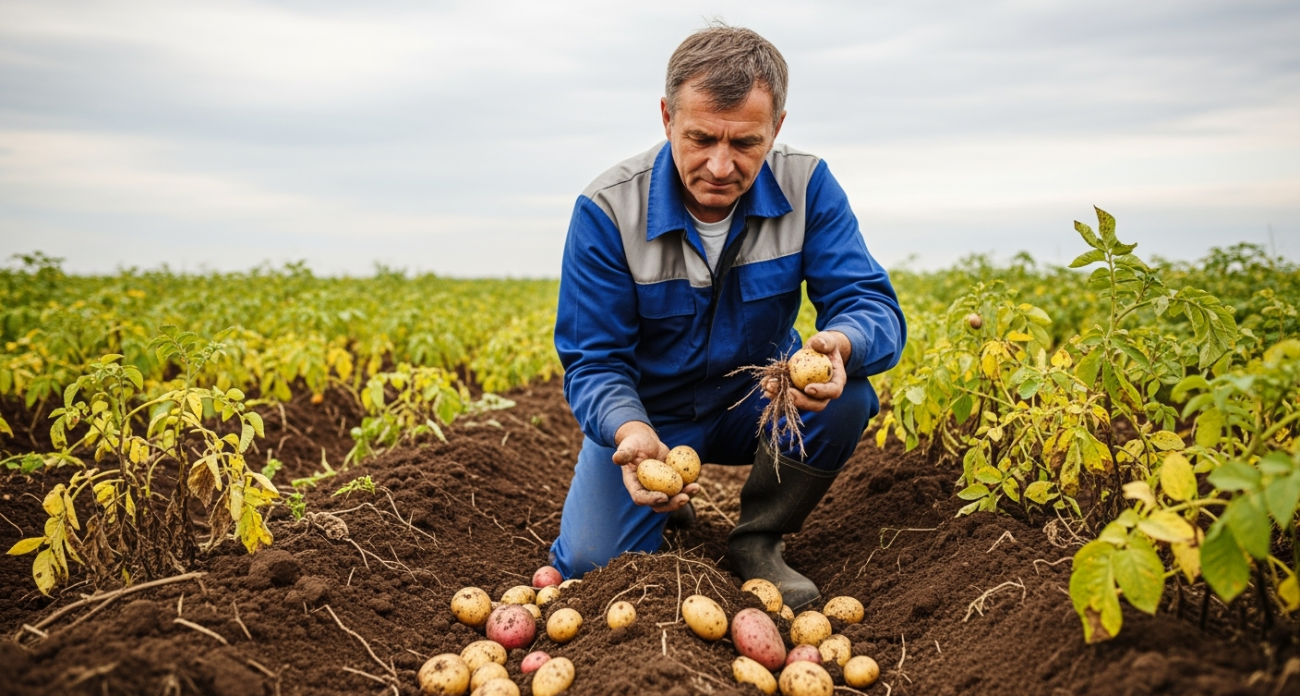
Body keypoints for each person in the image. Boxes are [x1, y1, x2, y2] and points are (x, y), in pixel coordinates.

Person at [548, 24, 906, 610]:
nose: (720, 165)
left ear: (778, 127)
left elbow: (870, 303)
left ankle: (759, 538)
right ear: (667, 118)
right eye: (701, 138)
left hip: (760, 400)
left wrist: (843, 342)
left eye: (745, 143)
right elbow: (594, 361)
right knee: (591, 565)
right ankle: (670, 495)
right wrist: (630, 432)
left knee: (848, 396)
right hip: (654, 417)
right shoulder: (609, 210)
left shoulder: (807, 185)